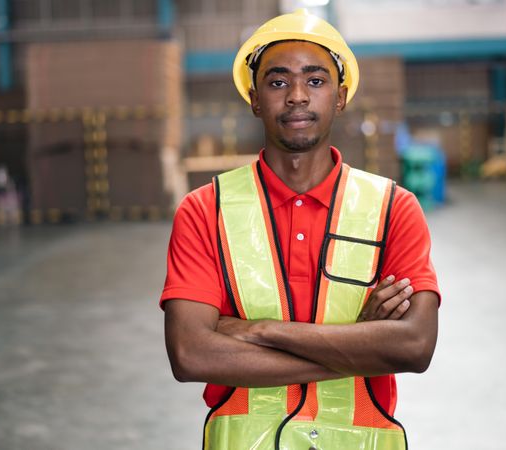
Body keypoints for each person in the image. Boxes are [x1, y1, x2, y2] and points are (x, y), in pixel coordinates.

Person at [160, 9, 440, 450]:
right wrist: (360, 348)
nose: (296, 96)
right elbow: (190, 353)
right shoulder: (204, 211)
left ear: (340, 96)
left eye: (315, 80)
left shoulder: (393, 209)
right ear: (254, 99)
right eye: (277, 82)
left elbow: (415, 346)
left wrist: (259, 330)